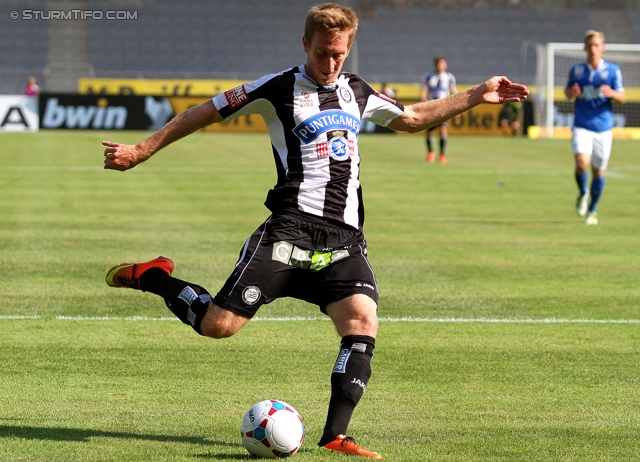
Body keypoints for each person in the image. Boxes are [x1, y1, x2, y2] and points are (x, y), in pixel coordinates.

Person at [102, 3, 528, 458]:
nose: (331, 63)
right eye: (323, 52)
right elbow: (204, 111)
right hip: (289, 232)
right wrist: (143, 149)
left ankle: (335, 435)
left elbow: (413, 119)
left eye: (339, 54)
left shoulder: (356, 91)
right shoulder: (277, 88)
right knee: (219, 326)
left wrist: (476, 94)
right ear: (306, 43)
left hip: (343, 241)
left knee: (362, 320)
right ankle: (154, 276)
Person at [565, 30, 625, 225]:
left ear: (603, 48)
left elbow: (622, 98)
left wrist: (612, 93)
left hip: (603, 128)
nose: (593, 49)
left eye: (596, 45)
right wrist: (570, 92)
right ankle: (583, 192)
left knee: (598, 172)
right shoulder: (577, 70)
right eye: (590, 45)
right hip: (582, 125)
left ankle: (592, 209)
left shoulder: (613, 71)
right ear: (585, 48)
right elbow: (567, 92)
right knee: (582, 164)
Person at [421, 56, 457, 163]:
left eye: (442, 63)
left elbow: (454, 93)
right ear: (435, 65)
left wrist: (455, 107)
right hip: (431, 107)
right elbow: (423, 91)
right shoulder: (428, 76)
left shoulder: (450, 77)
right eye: (438, 63)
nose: (440, 65)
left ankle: (442, 154)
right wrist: (425, 104)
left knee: (443, 130)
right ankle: (430, 152)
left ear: (445, 65)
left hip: (444, 108)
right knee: (430, 131)